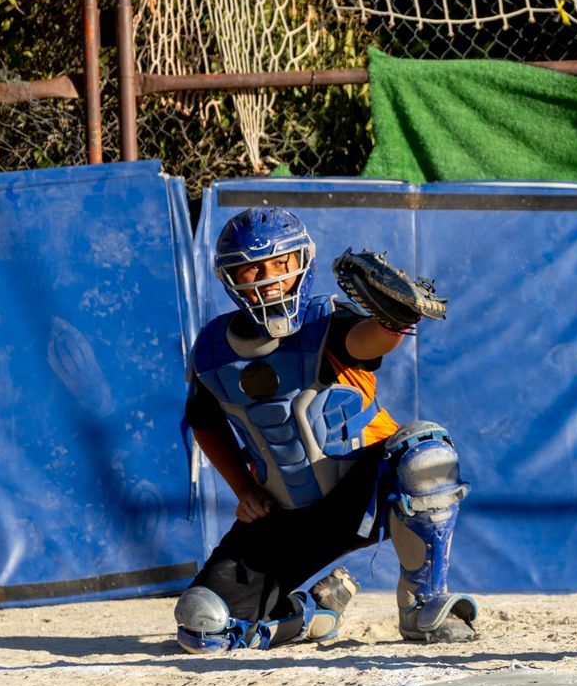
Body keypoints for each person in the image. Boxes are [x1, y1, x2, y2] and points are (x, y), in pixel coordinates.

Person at [172, 206, 479, 652]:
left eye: (282, 263)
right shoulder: (212, 350)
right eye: (252, 268)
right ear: (229, 277)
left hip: (363, 493)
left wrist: (394, 320)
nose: (269, 277)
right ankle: (315, 613)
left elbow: (369, 340)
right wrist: (242, 490)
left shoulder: (327, 322)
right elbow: (204, 421)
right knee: (203, 627)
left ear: (303, 263)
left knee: (424, 451)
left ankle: (422, 607)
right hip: (287, 515)